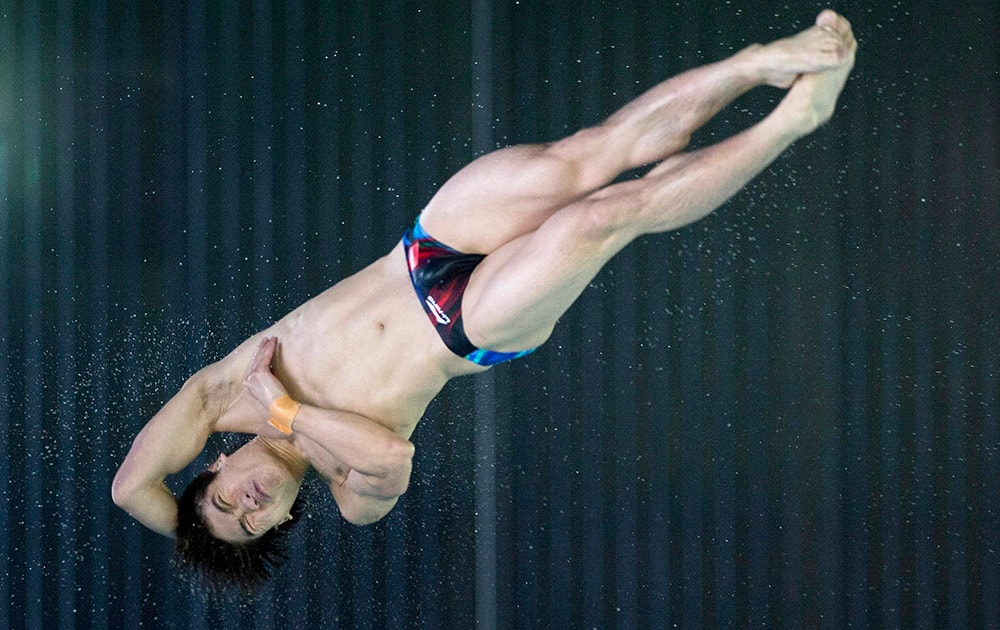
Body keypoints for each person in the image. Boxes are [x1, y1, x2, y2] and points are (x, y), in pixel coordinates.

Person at [112, 10, 856, 590]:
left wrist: (189, 529)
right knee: (606, 216)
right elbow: (391, 453)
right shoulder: (349, 494)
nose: (250, 503)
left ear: (209, 472)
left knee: (592, 151)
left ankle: (763, 61)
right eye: (256, 520)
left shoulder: (214, 398)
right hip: (466, 326)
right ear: (283, 516)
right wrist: (282, 412)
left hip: (422, 250)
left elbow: (129, 488)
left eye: (227, 502)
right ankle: (794, 119)